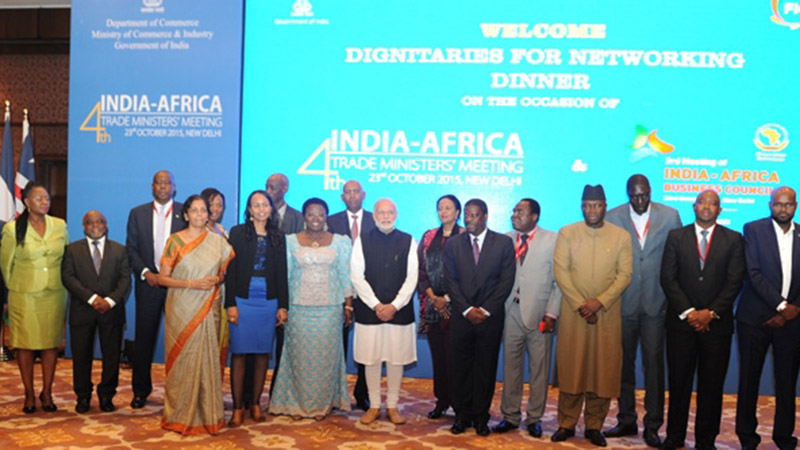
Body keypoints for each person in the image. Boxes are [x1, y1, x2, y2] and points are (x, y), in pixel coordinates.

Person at [660, 189, 745, 450]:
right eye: (703, 202)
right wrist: (689, 312)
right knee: (679, 383)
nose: (707, 206)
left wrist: (710, 312)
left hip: (716, 325)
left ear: (720, 210)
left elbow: (735, 281)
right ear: (694, 206)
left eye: (713, 203)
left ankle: (706, 440)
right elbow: (668, 278)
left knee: (711, 386)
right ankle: (675, 436)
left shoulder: (733, 239)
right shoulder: (676, 236)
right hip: (681, 325)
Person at [604, 174, 681, 447]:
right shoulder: (612, 217)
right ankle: (626, 419)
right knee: (622, 366)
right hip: (622, 304)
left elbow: (677, 259)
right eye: (634, 196)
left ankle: (653, 425)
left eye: (644, 195)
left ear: (650, 192)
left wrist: (672, 301)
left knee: (653, 367)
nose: (640, 201)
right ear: (627, 193)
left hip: (655, 305)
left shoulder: (670, 216)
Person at [551, 184, 632, 447]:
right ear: (582, 206)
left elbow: (624, 275)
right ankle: (566, 423)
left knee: (602, 371)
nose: (592, 210)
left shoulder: (621, 236)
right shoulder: (567, 232)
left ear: (605, 206)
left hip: (607, 314)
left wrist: (599, 303)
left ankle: (594, 425)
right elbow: (561, 272)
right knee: (572, 368)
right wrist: (581, 305)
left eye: (596, 205)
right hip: (574, 314)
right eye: (587, 205)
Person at [270, 198, 353, 420]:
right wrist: (283, 306)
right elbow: (285, 277)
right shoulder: (290, 241)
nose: (315, 219)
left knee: (325, 359)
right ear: (304, 217)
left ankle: (321, 405)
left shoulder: (341, 242)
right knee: (298, 358)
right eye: (310, 214)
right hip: (298, 308)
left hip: (329, 309)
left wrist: (348, 304)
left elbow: (345, 275)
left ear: (326, 217)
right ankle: (296, 404)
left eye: (320, 214)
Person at [158, 195, 234, 435]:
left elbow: (224, 273)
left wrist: (217, 279)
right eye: (196, 210)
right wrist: (191, 284)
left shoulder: (218, 241)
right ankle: (178, 414)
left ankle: (209, 414)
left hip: (209, 307)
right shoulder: (175, 242)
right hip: (182, 308)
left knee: (207, 359)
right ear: (186, 214)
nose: (201, 214)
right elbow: (162, 278)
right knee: (182, 360)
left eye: (205, 210)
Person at [444, 198, 516, 437]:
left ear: (485, 216)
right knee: (460, 369)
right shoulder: (453, 244)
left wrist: (485, 310)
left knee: (485, 369)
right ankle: (461, 415)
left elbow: (506, 281)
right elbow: (451, 281)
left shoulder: (504, 243)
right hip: (462, 318)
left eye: (474, 215)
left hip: (489, 319)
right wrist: (466, 310)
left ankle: (481, 417)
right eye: (467, 215)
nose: (469, 220)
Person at [735, 186, 800, 450]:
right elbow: (753, 273)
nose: (783, 209)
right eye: (778, 204)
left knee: (787, 384)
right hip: (755, 319)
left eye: (789, 205)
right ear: (770, 204)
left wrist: (792, 309)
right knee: (749, 381)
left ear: (795, 206)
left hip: (793, 321)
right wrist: (781, 306)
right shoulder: (753, 229)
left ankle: (784, 437)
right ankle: (747, 438)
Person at [493, 198, 560, 438]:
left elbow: (558, 281)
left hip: (541, 314)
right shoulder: (504, 239)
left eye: (520, 212)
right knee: (511, 368)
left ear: (535, 216)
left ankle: (535, 418)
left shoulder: (552, 239)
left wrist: (552, 312)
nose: (514, 215)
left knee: (539, 370)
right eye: (513, 211)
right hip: (510, 311)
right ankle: (510, 416)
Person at [0, 182, 69, 414]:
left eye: (47, 198)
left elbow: (66, 260)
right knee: (26, 346)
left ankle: (47, 392)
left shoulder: (59, 225)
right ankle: (29, 393)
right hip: (24, 295)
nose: (44, 202)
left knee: (51, 343)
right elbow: (5, 266)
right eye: (38, 198)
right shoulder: (12, 229)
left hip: (54, 294)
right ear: (27, 202)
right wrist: (10, 293)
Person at [351, 198, 418, 425]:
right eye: (381, 212)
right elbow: (356, 277)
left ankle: (392, 406)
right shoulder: (362, 240)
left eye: (390, 212)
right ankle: (374, 406)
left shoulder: (409, 240)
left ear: (396, 214)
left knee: (395, 359)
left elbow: (412, 278)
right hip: (370, 311)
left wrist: (394, 306)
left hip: (399, 312)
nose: (386, 216)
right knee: (370, 360)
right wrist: (377, 306)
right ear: (374, 216)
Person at [225, 190, 287, 426]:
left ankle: (255, 404)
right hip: (242, 299)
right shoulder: (238, 233)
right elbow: (230, 270)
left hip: (268, 300)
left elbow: (282, 273)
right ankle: (238, 407)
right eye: (256, 205)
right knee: (239, 354)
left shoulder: (278, 236)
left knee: (262, 354)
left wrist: (283, 306)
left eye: (265, 205)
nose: (261, 209)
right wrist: (230, 303)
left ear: (271, 209)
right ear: (249, 210)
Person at [126, 170, 186, 409]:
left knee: (179, 341)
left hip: (177, 287)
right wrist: (146, 274)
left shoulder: (186, 212)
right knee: (144, 340)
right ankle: (141, 391)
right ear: (152, 187)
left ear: (174, 187)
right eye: (158, 183)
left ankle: (180, 392)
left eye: (167, 183)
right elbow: (131, 249)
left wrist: (176, 276)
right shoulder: (137, 213)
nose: (163, 186)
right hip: (149, 284)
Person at [62, 211, 131, 414]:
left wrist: (109, 301)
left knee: (111, 358)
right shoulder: (72, 250)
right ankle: (83, 396)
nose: (95, 225)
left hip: (112, 312)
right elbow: (67, 278)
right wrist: (92, 298)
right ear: (83, 226)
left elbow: (125, 280)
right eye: (90, 222)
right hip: (83, 311)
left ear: (106, 225)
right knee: (81, 357)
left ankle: (106, 395)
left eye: (100, 221)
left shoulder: (120, 250)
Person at [327, 179, 374, 411]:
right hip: (337, 291)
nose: (353, 195)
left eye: (357, 191)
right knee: (338, 344)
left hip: (368, 292)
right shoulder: (331, 221)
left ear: (364, 194)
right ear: (342, 196)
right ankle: (336, 392)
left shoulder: (377, 219)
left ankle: (362, 393)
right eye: (348, 192)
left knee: (366, 345)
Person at [416, 194, 463, 419]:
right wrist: (434, 297)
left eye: (448, 208)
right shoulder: (428, 236)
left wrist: (448, 298)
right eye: (440, 208)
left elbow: (467, 274)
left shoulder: (465, 236)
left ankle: (459, 401)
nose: (444, 212)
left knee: (456, 358)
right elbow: (420, 270)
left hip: (457, 309)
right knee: (439, 357)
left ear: (457, 212)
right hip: (432, 306)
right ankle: (441, 401)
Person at [200, 187, 230, 381]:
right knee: (202, 342)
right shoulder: (195, 231)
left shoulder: (221, 231)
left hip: (222, 290)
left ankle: (213, 388)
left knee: (218, 341)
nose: (215, 208)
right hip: (201, 292)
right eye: (211, 204)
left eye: (220, 204)